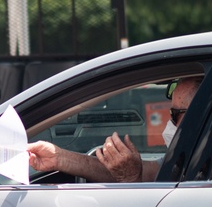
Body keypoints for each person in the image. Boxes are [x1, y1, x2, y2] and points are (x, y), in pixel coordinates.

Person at [26, 77, 201, 183]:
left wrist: (131, 180)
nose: (169, 123)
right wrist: (59, 158)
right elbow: (151, 174)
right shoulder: (193, 155)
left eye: (175, 113)